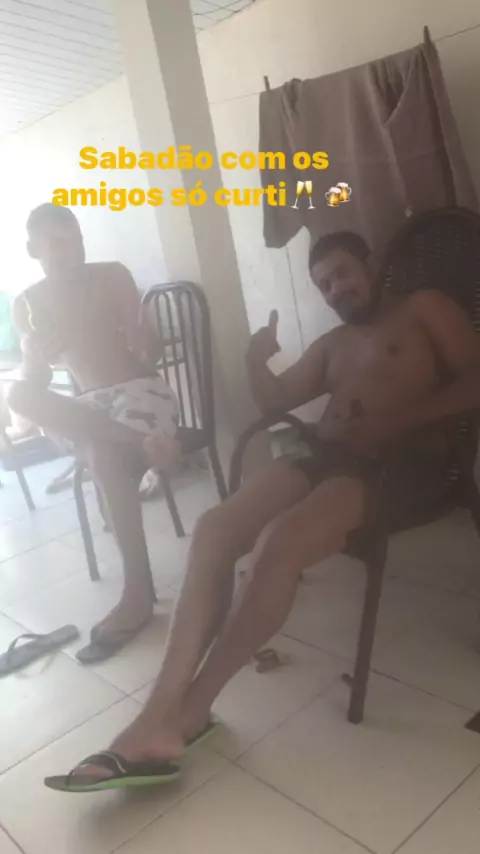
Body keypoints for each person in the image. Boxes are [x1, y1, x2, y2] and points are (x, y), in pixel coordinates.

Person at [46, 229, 480, 790]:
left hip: (398, 465)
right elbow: (275, 400)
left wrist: (397, 420)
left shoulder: (423, 309)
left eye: (343, 273)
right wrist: (255, 358)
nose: (336, 289)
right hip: (326, 454)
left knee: (280, 543)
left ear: (371, 265)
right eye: (324, 285)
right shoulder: (333, 345)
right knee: (214, 528)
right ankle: (160, 711)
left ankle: (187, 714)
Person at [8, 204, 179, 661]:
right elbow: (37, 381)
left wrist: (144, 337)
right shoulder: (27, 303)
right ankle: (143, 447)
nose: (71, 252)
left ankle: (137, 595)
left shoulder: (112, 275)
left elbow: (149, 353)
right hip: (92, 409)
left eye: (76, 240)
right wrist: (35, 356)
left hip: (140, 395)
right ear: (33, 249)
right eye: (57, 244)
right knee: (18, 394)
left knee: (102, 455)